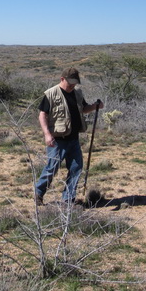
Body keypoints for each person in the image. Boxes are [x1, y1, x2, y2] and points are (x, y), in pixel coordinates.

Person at [35, 67, 104, 206]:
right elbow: (42, 115)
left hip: (74, 138)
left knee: (76, 168)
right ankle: (38, 194)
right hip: (57, 140)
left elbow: (83, 109)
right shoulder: (51, 94)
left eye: (75, 83)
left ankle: (68, 199)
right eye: (70, 83)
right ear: (62, 79)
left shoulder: (77, 93)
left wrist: (95, 106)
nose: (72, 86)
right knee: (52, 168)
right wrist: (47, 134)